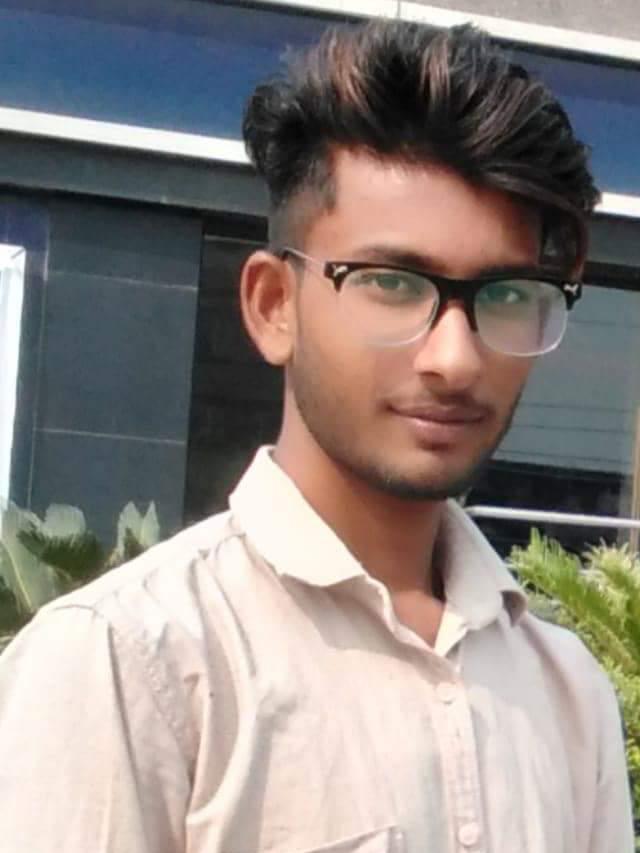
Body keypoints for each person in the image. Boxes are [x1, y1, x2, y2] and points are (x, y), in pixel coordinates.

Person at [0, 19, 634, 853]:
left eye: (509, 295)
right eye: (392, 283)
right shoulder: (128, 662)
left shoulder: (568, 693)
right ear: (274, 306)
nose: (454, 358)